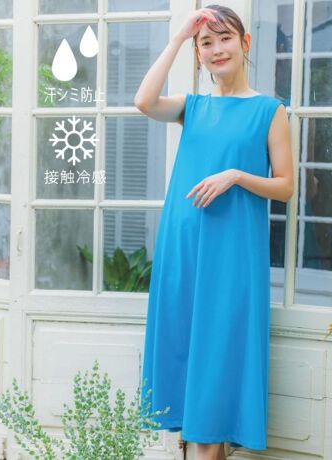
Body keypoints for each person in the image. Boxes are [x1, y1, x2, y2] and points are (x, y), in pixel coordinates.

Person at [135, 4, 293, 460]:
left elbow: (285, 187)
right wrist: (179, 37)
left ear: (245, 44)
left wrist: (236, 176)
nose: (217, 49)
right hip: (183, 249)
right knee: (191, 389)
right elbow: (144, 101)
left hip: (231, 256)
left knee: (217, 373)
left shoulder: (269, 110)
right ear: (198, 53)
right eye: (207, 42)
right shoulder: (193, 107)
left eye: (225, 39)